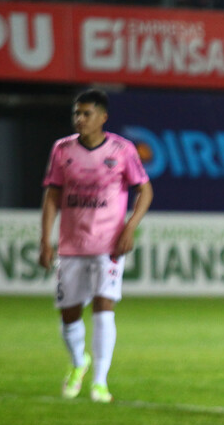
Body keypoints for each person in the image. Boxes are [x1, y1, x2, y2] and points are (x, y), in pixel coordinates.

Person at [39, 88, 153, 403]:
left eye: (86, 113)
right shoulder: (62, 150)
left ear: (102, 117)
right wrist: (45, 240)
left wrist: (129, 228)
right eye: (77, 113)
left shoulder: (122, 149)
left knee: (104, 307)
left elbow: (145, 190)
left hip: (109, 245)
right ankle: (79, 363)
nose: (80, 119)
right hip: (72, 245)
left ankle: (100, 382)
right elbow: (52, 196)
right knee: (69, 314)